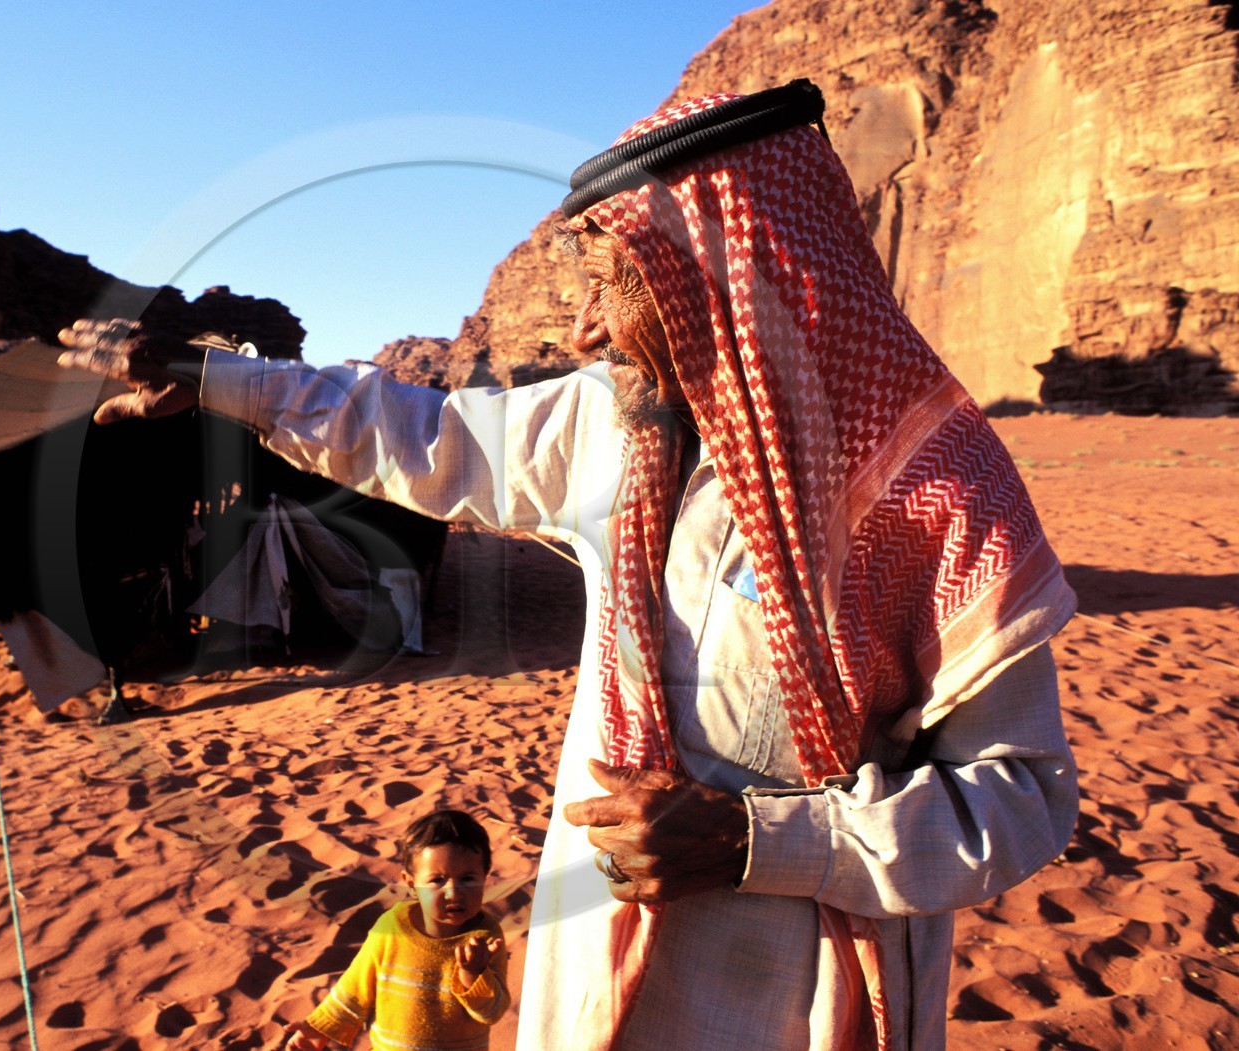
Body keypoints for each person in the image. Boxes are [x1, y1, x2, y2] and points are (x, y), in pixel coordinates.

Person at [58, 79, 1078, 1050]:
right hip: (586, 964)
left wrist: (758, 842)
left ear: (718, 284)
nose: (584, 328)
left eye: (610, 285)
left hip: (786, 992)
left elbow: (1021, 799)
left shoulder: (931, 494)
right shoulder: (613, 428)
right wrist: (212, 378)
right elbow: (415, 434)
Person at [282, 809, 510, 1050]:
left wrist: (473, 974)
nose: (454, 891)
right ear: (412, 884)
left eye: (468, 878)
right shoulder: (393, 927)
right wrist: (320, 1026)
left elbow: (491, 1014)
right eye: (437, 880)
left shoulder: (485, 939)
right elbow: (357, 982)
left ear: (485, 877)